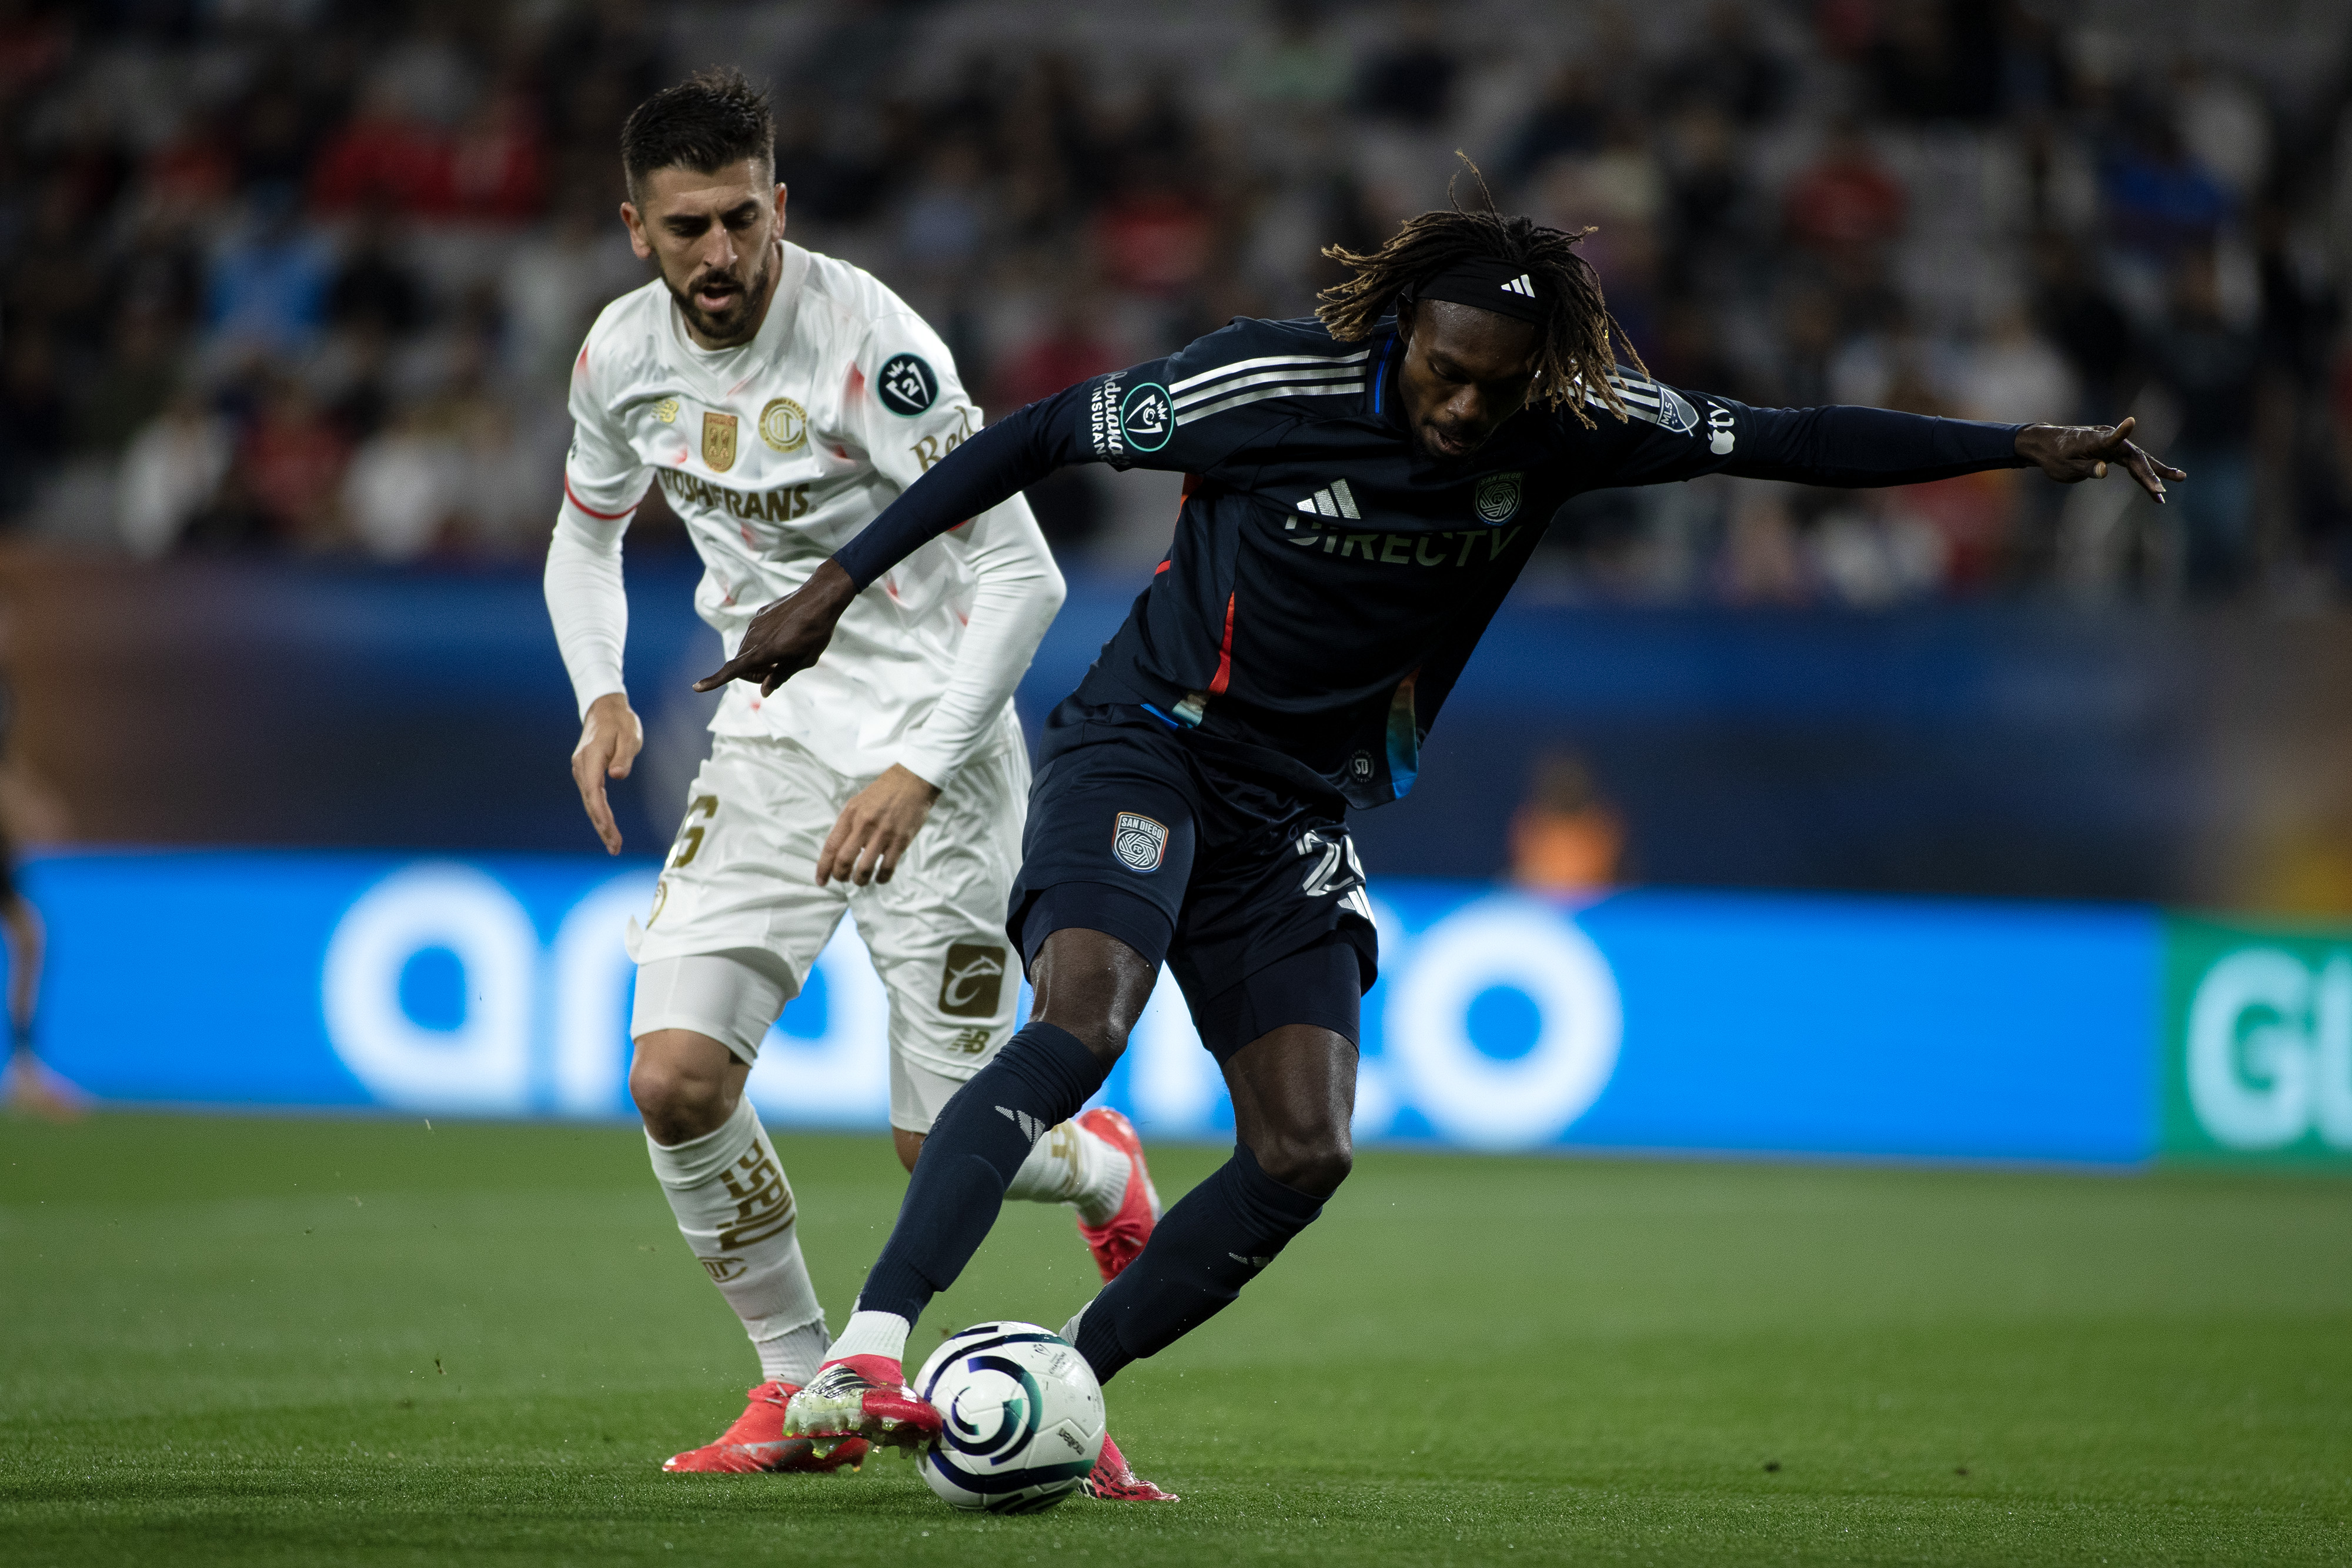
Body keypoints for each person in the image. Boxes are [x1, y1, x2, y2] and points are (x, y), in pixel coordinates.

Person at [699, 182, 2182, 1468]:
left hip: (1293, 803)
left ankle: (1061, 1381)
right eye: (1446, 372)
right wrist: (833, 585)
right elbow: (1032, 433)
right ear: (1403, 328)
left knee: (1303, 1150)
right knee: (1084, 1018)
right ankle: (870, 1348)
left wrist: (2014, 445)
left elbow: (1785, 435)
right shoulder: (1264, 384)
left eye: (1497, 389)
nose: (1467, 408)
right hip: (1149, 741)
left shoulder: (1576, 423)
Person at [543, 70, 1168, 1498]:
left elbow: (1023, 574)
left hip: (935, 752)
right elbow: (583, 535)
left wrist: (915, 767)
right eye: (687, 227)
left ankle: (1098, 1165)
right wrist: (599, 690)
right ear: (635, 229)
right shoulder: (617, 355)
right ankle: (792, 1380)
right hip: (768, 742)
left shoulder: (872, 349)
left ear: (780, 205)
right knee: (674, 1078)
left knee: (938, 1142)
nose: (720, 253)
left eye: (742, 219)